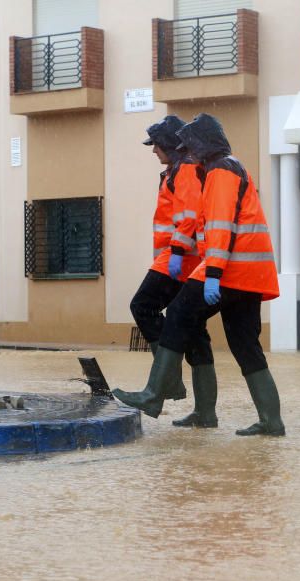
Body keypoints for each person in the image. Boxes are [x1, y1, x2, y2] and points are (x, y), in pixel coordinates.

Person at [114, 113, 285, 437]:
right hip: (249, 272)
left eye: (190, 146)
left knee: (178, 312)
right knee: (244, 343)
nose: (187, 153)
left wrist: (213, 273)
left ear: (202, 146)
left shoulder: (221, 171)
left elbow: (220, 225)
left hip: (231, 268)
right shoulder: (229, 167)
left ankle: (154, 393)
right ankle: (271, 421)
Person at [124, 115, 202, 404]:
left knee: (142, 306)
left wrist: (178, 254)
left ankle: (167, 382)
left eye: (156, 144)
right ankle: (193, 404)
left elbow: (190, 216)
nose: (153, 150)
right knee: (193, 334)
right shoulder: (175, 172)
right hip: (176, 259)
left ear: (170, 143)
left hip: (181, 259)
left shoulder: (187, 171)